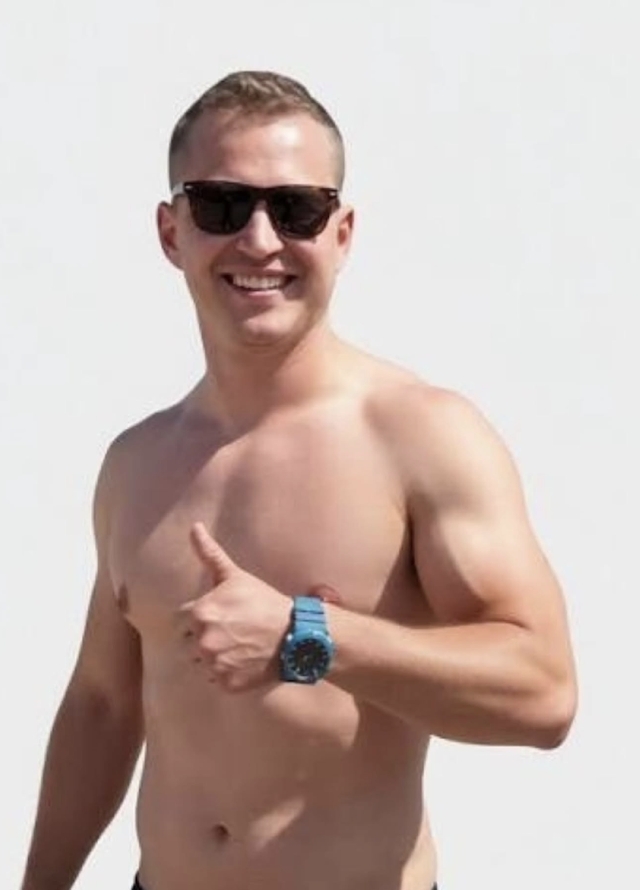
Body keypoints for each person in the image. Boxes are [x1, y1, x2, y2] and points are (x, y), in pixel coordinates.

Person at [20, 70, 578, 890]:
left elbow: (544, 694)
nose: (259, 240)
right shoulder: (137, 463)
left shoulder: (421, 437)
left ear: (342, 233)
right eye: (220, 204)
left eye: (296, 209)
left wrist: (306, 635)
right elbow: (103, 704)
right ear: (172, 232)